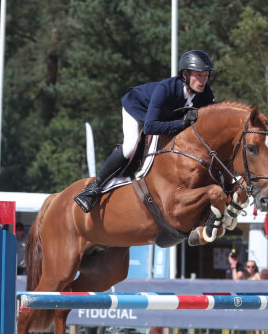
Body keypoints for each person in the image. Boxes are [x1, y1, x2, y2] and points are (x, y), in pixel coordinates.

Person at [75, 50, 217, 213]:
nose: (203, 80)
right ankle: (94, 188)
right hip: (136, 107)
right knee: (129, 147)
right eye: (198, 75)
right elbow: (150, 127)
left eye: (206, 75)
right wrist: (182, 123)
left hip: (164, 117)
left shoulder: (206, 93)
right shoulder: (166, 89)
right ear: (185, 75)